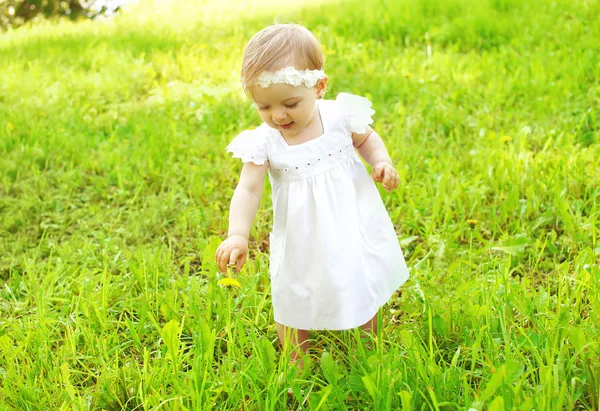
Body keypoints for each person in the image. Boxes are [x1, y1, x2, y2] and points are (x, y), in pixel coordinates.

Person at [215, 23, 410, 369]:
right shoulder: (264, 140)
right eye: (264, 107)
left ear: (319, 87)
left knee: (359, 274)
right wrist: (237, 234)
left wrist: (381, 162)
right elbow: (248, 188)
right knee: (293, 288)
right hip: (300, 235)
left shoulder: (339, 116)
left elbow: (366, 140)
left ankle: (369, 344)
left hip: (349, 222)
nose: (277, 115)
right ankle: (296, 359)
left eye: (290, 103)